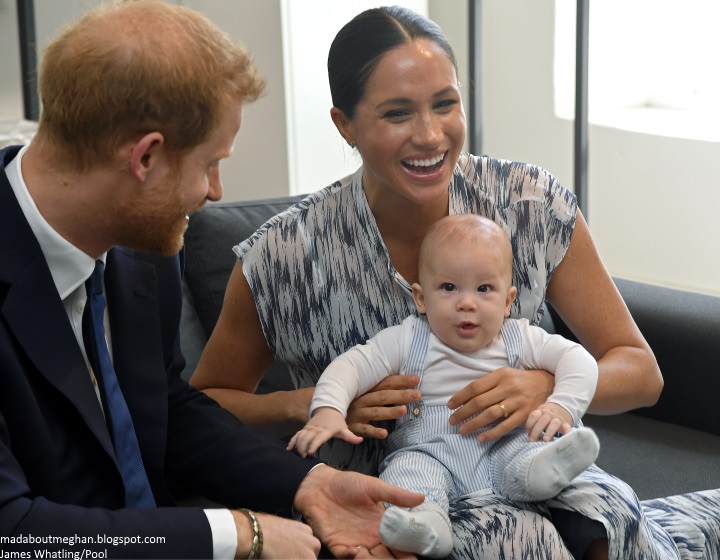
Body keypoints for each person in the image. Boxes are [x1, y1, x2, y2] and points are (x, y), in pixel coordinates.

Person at [191, 5, 720, 559]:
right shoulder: (283, 255)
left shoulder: (529, 204)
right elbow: (202, 405)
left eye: (445, 103)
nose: (429, 135)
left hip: (528, 468)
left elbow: (640, 371)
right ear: (345, 124)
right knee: (518, 537)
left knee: (612, 509)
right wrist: (306, 404)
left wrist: (544, 388)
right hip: (389, 509)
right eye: (397, 113)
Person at [0, 2, 426, 559]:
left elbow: (169, 410)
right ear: (146, 158)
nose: (216, 192)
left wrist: (309, 484)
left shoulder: (142, 252)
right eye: (210, 164)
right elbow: (14, 535)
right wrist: (239, 534)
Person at [288, 214, 602, 558]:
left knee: (529, 450)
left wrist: (561, 405)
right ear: (421, 298)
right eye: (449, 287)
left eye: (484, 289)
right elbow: (351, 365)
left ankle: (542, 474)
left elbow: (578, 358)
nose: (466, 302)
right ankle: (426, 525)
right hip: (429, 452)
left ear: (507, 301)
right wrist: (328, 410)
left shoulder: (520, 337)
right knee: (407, 475)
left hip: (503, 443)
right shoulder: (408, 339)